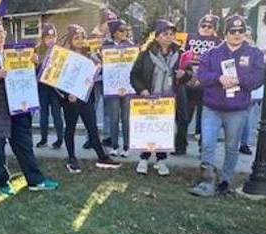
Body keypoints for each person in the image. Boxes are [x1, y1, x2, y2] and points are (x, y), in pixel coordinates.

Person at [0, 17, 59, 195]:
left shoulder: (10, 52)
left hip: (17, 109)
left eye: (3, 32)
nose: (2, 36)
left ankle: (35, 180)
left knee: (24, 145)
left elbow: (27, 77)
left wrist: (33, 64)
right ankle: (1, 181)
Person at [189, 14, 266, 197]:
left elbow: (258, 78)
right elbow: (202, 76)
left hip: (237, 109)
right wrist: (219, 78)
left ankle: (225, 180)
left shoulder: (254, 53)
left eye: (241, 31)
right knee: (207, 144)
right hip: (212, 108)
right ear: (225, 33)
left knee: (232, 147)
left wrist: (239, 80)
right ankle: (206, 180)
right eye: (233, 31)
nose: (237, 34)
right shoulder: (212, 53)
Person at [58, 24, 120, 172]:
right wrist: (67, 94)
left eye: (82, 37)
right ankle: (72, 158)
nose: (80, 41)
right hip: (71, 99)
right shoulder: (64, 56)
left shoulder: (89, 54)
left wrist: (96, 72)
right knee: (71, 128)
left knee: (92, 126)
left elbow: (95, 73)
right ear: (70, 40)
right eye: (76, 38)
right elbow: (58, 78)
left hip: (86, 96)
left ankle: (102, 157)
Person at [130, 19, 187, 176]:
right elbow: (134, 74)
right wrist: (142, 90)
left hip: (170, 99)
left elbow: (188, 73)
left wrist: (184, 75)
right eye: (165, 34)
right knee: (149, 128)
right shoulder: (145, 54)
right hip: (150, 98)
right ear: (156, 36)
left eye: (171, 34)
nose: (169, 37)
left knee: (165, 130)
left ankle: (161, 160)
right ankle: (144, 159)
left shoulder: (180, 54)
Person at [184, 14, 223, 148]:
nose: (206, 28)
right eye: (203, 26)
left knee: (204, 119)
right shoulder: (189, 38)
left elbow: (219, 64)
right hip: (188, 83)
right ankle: (180, 145)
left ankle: (202, 146)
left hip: (207, 85)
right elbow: (183, 59)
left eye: (209, 26)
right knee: (184, 116)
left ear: (214, 29)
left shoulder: (219, 42)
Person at [101, 18, 135, 157]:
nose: (124, 33)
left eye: (126, 30)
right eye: (121, 30)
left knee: (126, 119)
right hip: (112, 87)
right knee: (113, 118)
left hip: (127, 87)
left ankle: (127, 147)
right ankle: (114, 146)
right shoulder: (106, 47)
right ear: (114, 33)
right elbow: (101, 64)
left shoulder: (132, 46)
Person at [34, 23, 64, 149]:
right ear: (43, 38)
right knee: (43, 114)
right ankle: (43, 138)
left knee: (57, 114)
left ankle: (59, 139)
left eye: (53, 37)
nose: (51, 40)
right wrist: (36, 64)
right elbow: (33, 72)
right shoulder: (36, 51)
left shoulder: (60, 51)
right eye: (48, 37)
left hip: (55, 88)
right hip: (42, 88)